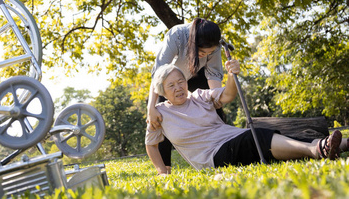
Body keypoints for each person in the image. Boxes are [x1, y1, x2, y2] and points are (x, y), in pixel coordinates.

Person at [145, 61, 348, 174]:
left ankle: (342, 144)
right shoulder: (160, 113)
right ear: (162, 90)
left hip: (234, 138)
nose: (178, 87)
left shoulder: (198, 96)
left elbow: (227, 95)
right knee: (256, 138)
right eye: (171, 85)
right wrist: (162, 171)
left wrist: (232, 76)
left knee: (277, 140)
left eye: (181, 81)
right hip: (214, 157)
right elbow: (151, 144)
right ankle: (317, 150)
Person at [147, 18, 225, 173]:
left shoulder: (215, 45)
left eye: (208, 53)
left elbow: (214, 74)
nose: (205, 56)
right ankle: (164, 169)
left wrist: (217, 99)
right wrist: (151, 108)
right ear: (192, 43)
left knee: (215, 107)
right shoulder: (176, 36)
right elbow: (158, 74)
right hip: (171, 78)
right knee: (160, 114)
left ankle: (221, 148)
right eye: (202, 52)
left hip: (198, 75)